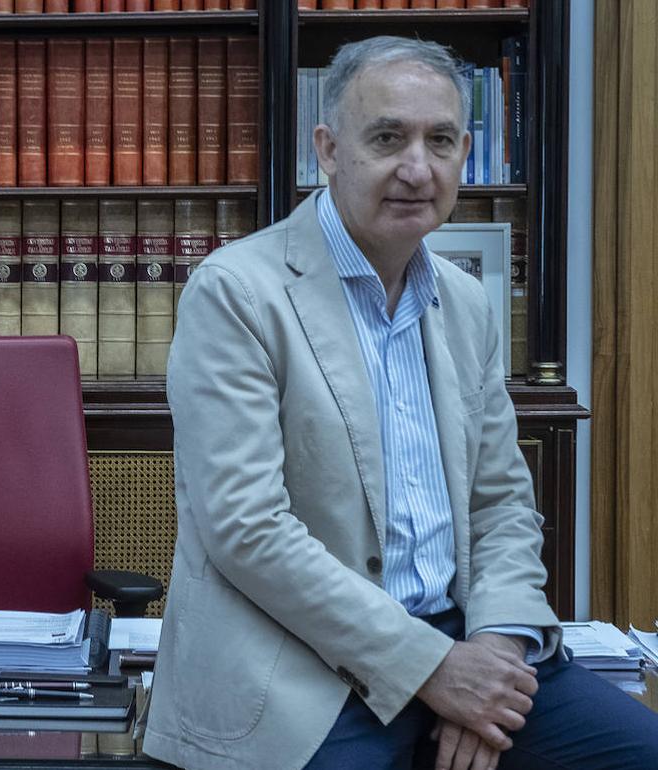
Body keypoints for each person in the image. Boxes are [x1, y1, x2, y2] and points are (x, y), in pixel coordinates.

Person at [142, 36, 658, 770]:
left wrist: (494, 653)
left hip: (464, 636)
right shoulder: (238, 293)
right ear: (327, 149)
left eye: (440, 140)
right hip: (303, 661)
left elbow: (501, 504)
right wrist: (432, 671)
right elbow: (247, 529)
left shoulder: (467, 300)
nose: (417, 168)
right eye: (387, 138)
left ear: (463, 151)